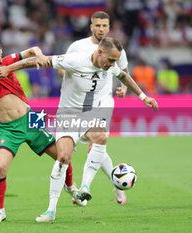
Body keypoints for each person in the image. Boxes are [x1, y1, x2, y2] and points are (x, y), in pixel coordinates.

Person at [0, 37, 159, 222]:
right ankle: (51, 211)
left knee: (101, 136)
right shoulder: (76, 60)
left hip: (89, 116)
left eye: (115, 61)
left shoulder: (109, 65)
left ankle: (85, 188)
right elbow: (41, 60)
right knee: (64, 157)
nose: (113, 64)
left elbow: (123, 75)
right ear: (99, 52)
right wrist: (9, 68)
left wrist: (143, 97)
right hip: (67, 116)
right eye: (111, 60)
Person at [0, 40, 78, 223]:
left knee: (63, 156)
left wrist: (40, 55)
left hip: (32, 118)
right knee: (1, 167)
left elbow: (33, 51)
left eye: (1, 56)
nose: (0, 60)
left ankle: (70, 187)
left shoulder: (6, 63)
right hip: (9, 129)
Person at [59, 11, 130, 206]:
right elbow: (61, 68)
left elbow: (124, 71)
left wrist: (123, 87)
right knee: (96, 146)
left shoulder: (116, 48)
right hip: (79, 102)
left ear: (109, 27)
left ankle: (84, 190)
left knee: (95, 143)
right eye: (97, 25)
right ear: (91, 26)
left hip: (104, 102)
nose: (101, 29)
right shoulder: (78, 47)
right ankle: (116, 181)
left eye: (104, 26)